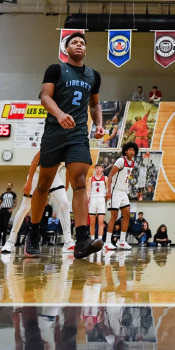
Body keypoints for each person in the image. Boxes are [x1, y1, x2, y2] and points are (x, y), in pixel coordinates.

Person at [23, 31, 106, 259]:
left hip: (78, 134)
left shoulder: (93, 75)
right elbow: (44, 97)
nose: (79, 45)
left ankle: (82, 239)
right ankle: (34, 232)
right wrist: (59, 114)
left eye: (82, 43)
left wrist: (99, 124)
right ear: (66, 49)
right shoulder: (56, 69)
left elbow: (95, 104)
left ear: (85, 49)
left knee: (79, 183)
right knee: (44, 184)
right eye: (74, 42)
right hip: (54, 132)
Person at [104, 143, 139, 252]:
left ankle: (122, 241)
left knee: (127, 214)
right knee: (114, 216)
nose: (131, 152)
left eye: (133, 150)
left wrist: (126, 191)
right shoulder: (120, 161)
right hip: (114, 191)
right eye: (129, 150)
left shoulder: (132, 163)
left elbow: (125, 178)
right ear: (125, 151)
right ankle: (107, 242)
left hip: (123, 192)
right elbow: (109, 176)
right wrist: (108, 191)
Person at [87, 164, 108, 241]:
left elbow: (108, 190)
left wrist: (107, 200)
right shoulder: (91, 179)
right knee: (92, 222)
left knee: (101, 221)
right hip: (93, 199)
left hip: (101, 199)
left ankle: (100, 239)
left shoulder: (105, 178)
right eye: (97, 168)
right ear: (95, 169)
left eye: (100, 168)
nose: (98, 169)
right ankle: (92, 239)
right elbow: (88, 191)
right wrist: (87, 201)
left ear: (102, 169)